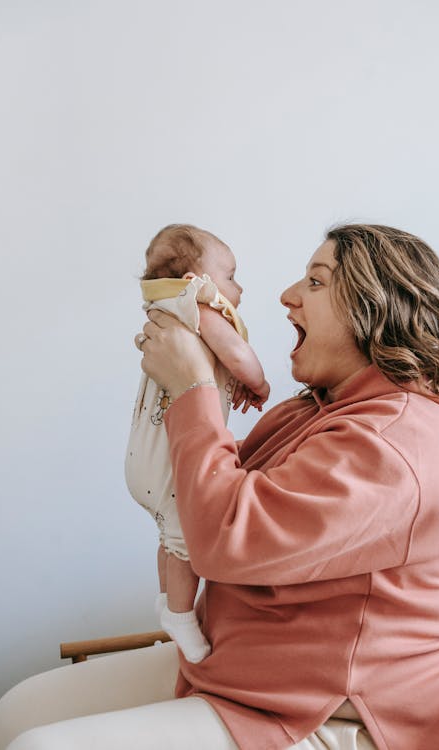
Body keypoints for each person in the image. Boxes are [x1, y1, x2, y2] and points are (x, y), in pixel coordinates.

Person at [0, 223, 439, 750]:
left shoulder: (399, 444)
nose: (287, 295)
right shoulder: (323, 410)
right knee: (15, 711)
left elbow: (224, 535)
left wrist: (193, 387)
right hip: (247, 672)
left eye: (316, 282)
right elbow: (208, 493)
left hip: (331, 710)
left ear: (373, 307)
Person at [125, 223, 270, 663]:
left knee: (169, 538)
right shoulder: (199, 308)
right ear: (196, 282)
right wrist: (259, 382)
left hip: (143, 460)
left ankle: (167, 600)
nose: (238, 286)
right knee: (185, 539)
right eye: (230, 275)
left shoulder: (166, 314)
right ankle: (181, 614)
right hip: (172, 462)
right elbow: (238, 355)